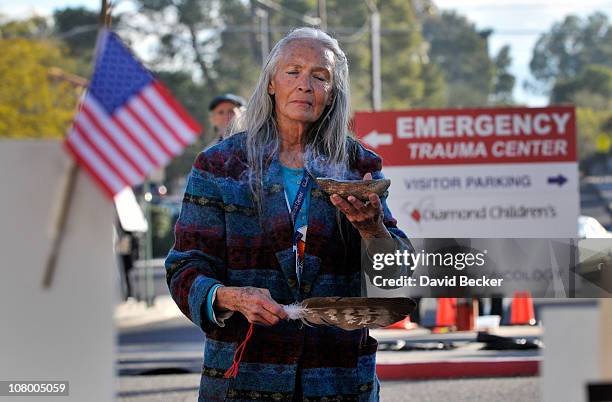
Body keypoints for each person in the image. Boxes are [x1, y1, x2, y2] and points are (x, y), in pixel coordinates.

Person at [165, 27, 410, 401]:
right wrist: (231, 297)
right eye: (293, 71)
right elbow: (185, 268)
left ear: (331, 95)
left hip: (338, 379)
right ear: (271, 85)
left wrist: (371, 228)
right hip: (245, 377)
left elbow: (397, 274)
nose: (305, 84)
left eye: (320, 76)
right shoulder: (220, 165)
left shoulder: (358, 164)